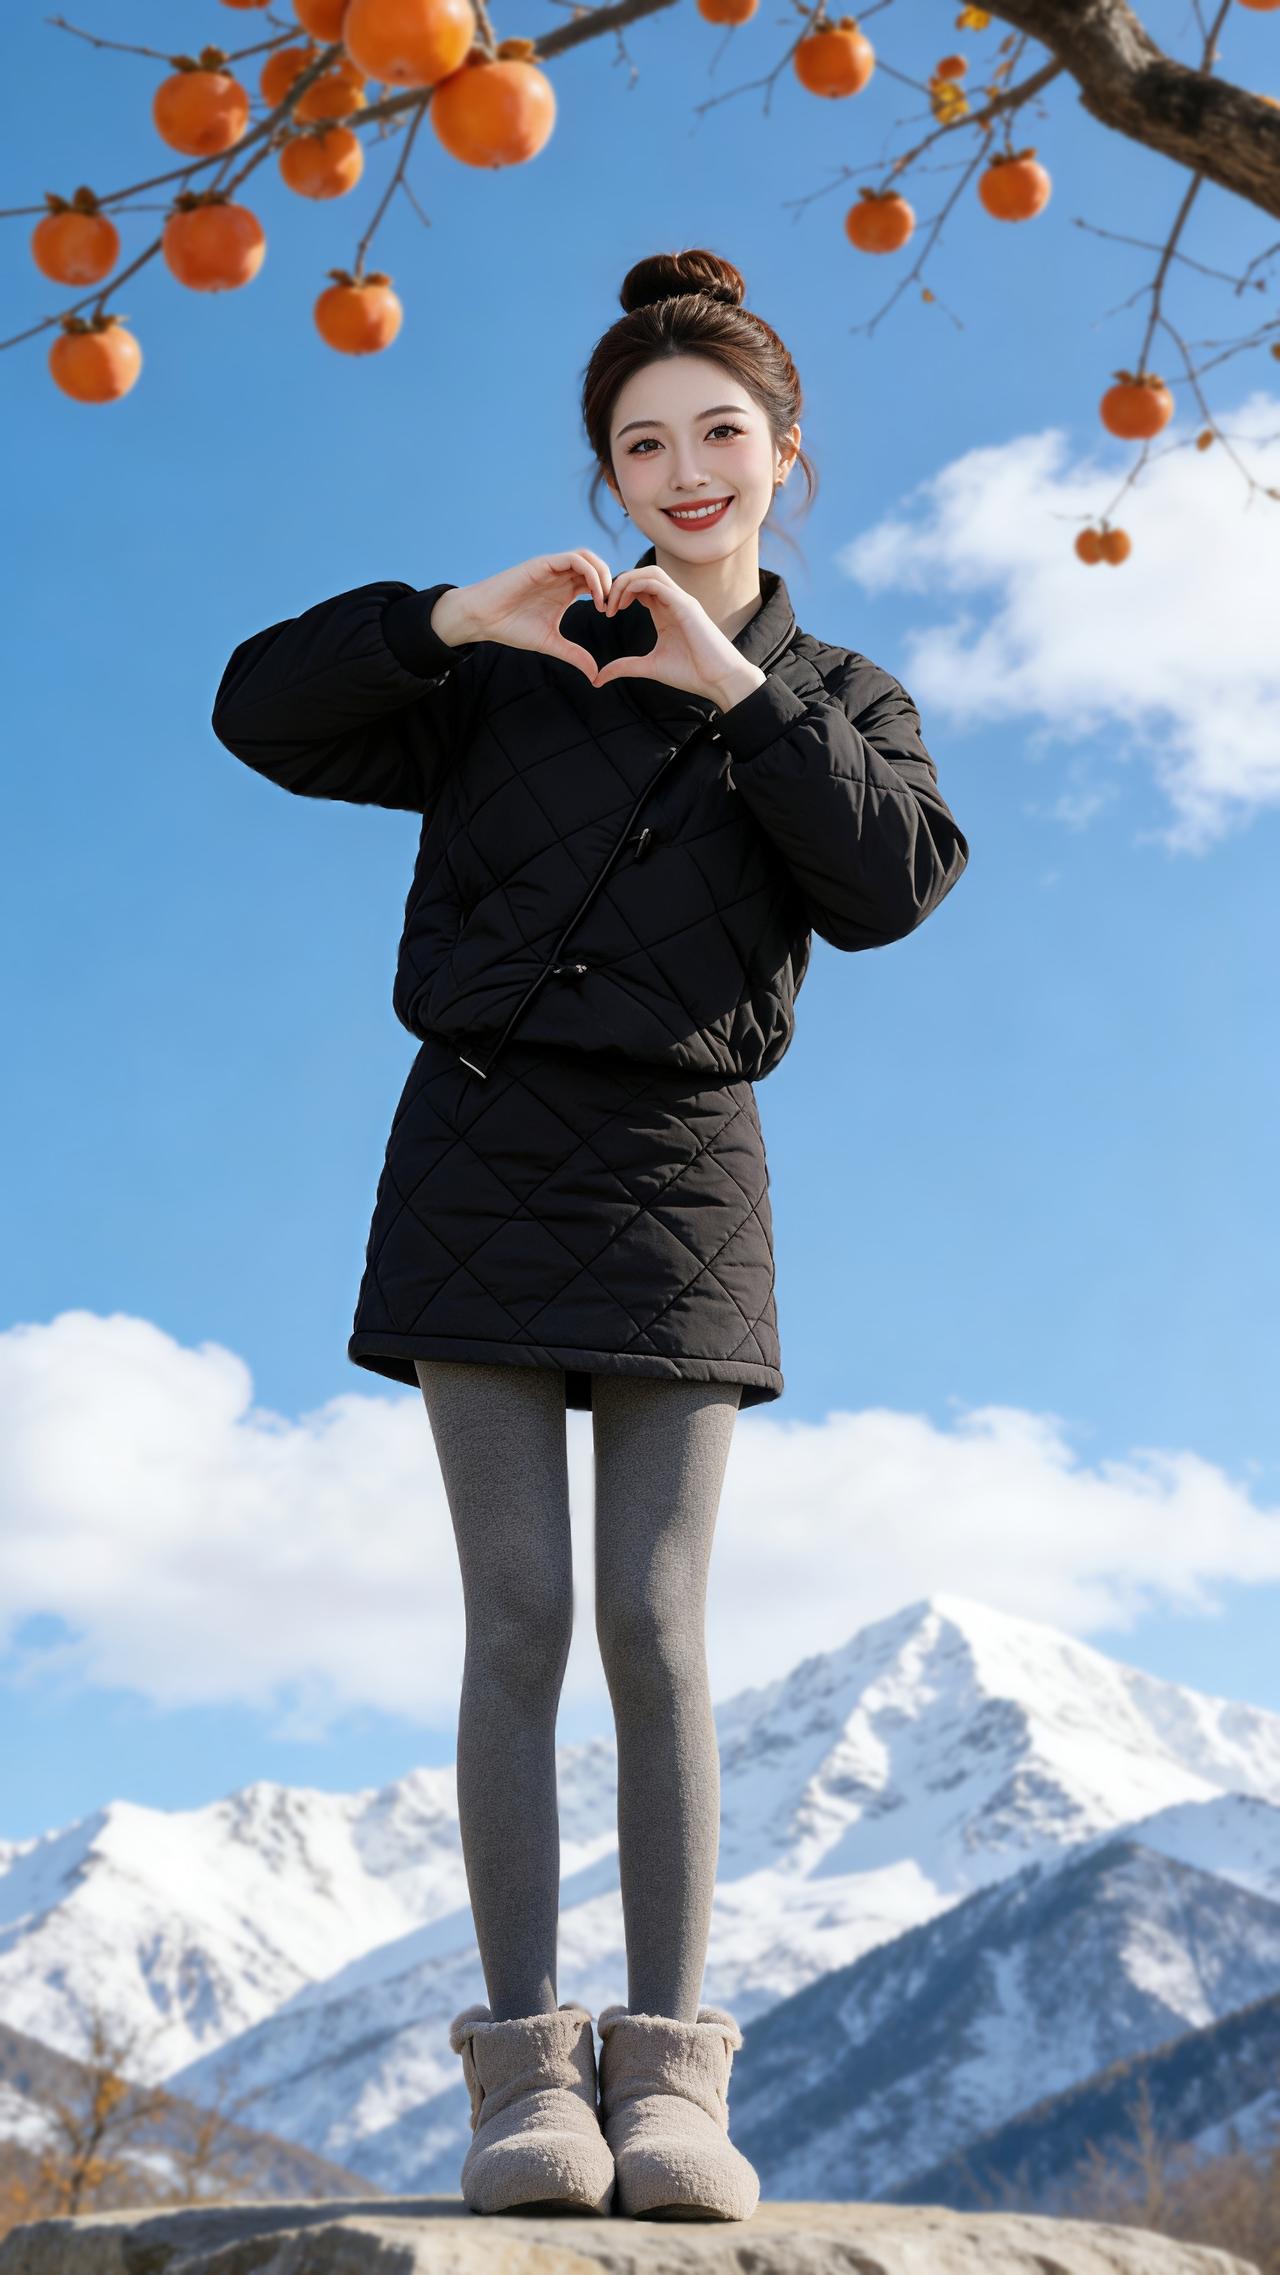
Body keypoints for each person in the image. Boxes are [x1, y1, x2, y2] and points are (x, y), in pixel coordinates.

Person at [211, 245, 969, 2223]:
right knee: (520, 1614)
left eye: (720, 433)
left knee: (653, 1621)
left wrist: (740, 693)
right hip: (477, 1152)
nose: (686, 470)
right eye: (644, 444)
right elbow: (255, 715)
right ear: (607, 472)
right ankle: (525, 2082)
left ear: (785, 451)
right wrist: (448, 617)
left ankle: (676, 2086)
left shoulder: (838, 697)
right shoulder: (506, 665)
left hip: (686, 1177)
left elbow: (893, 882)